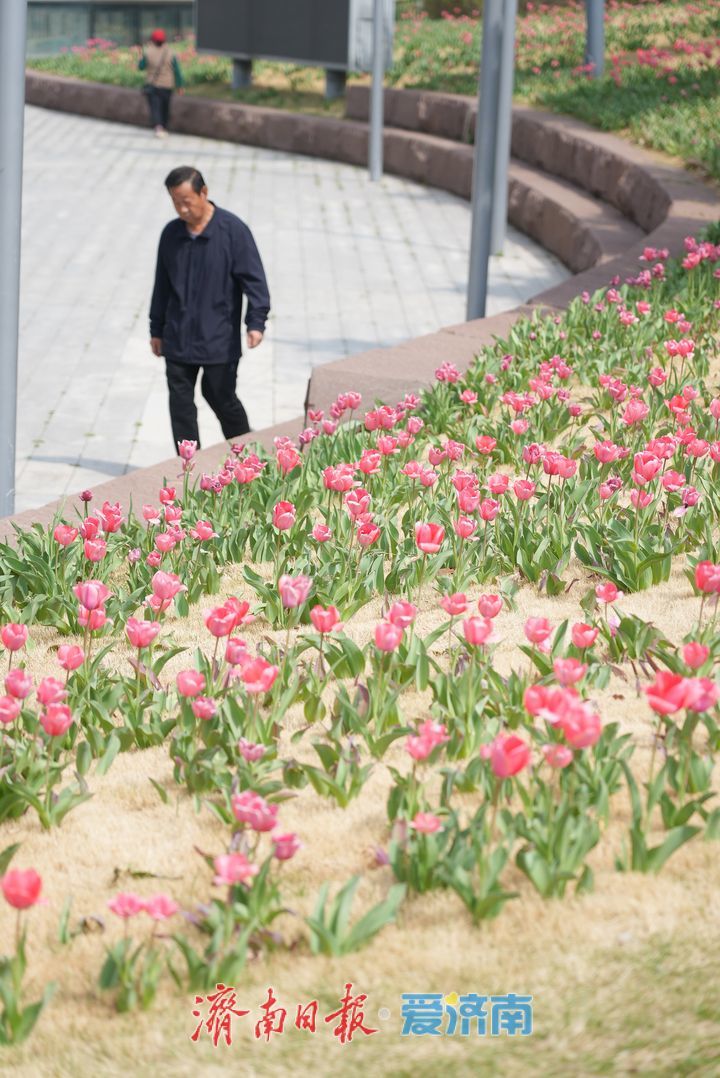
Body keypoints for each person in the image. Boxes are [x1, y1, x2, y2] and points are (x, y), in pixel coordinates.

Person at [149, 166, 270, 452]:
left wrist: (256, 322)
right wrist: (156, 329)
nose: (181, 209)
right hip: (178, 335)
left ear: (204, 193)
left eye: (186, 201)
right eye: (175, 202)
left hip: (218, 337)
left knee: (220, 396)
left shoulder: (233, 231)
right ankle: (189, 466)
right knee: (180, 404)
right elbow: (161, 286)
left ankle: (247, 457)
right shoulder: (171, 234)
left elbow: (255, 281)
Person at [138, 29, 183, 138]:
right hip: (167, 85)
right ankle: (164, 126)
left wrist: (140, 57)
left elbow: (141, 67)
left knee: (155, 107)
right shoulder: (170, 53)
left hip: (153, 85)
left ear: (152, 40)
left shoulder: (148, 52)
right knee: (165, 106)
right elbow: (177, 71)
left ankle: (158, 127)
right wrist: (180, 85)